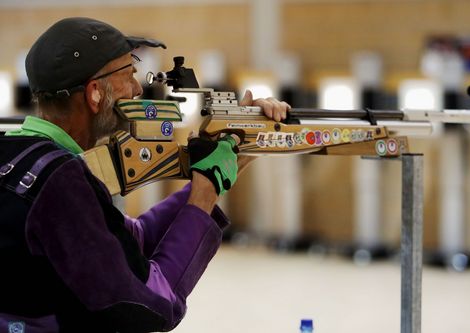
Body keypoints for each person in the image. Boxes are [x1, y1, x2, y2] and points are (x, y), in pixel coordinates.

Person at [0, 17, 289, 333]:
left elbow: (128, 241)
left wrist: (224, 165)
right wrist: (205, 191)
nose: (138, 89)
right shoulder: (60, 180)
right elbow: (150, 305)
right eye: (129, 75)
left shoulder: (22, 155)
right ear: (95, 93)